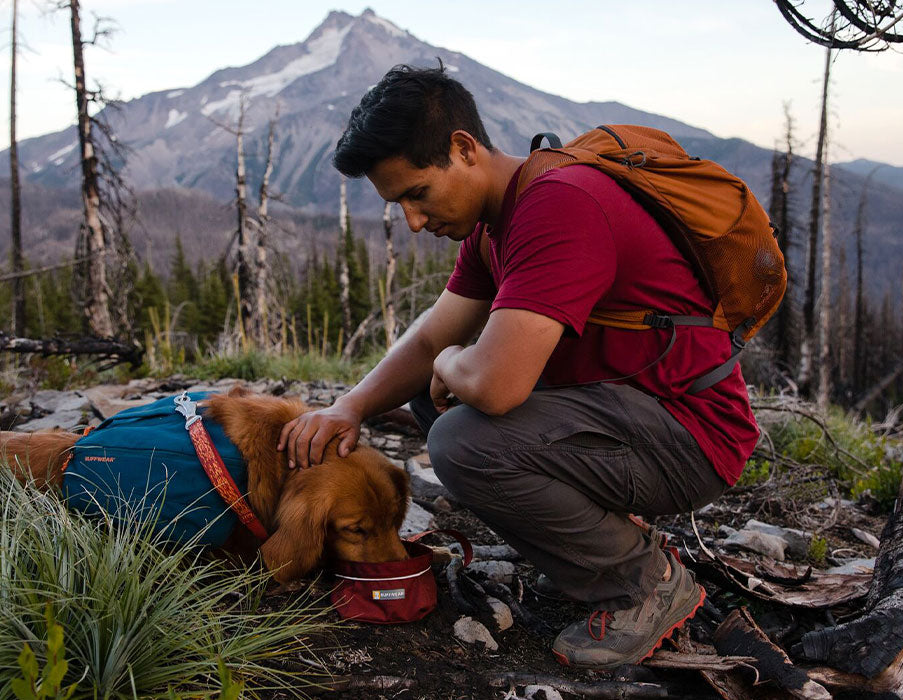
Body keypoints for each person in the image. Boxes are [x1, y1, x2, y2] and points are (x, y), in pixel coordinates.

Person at [277, 64, 759, 670]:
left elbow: (495, 386)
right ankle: (603, 540)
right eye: (399, 204)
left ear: (463, 148)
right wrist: (348, 407)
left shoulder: (560, 206)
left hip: (689, 438)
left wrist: (454, 361)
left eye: (417, 194)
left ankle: (644, 582)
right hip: (626, 417)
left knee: (462, 437)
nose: (415, 222)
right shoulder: (494, 223)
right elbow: (433, 335)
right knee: (442, 400)